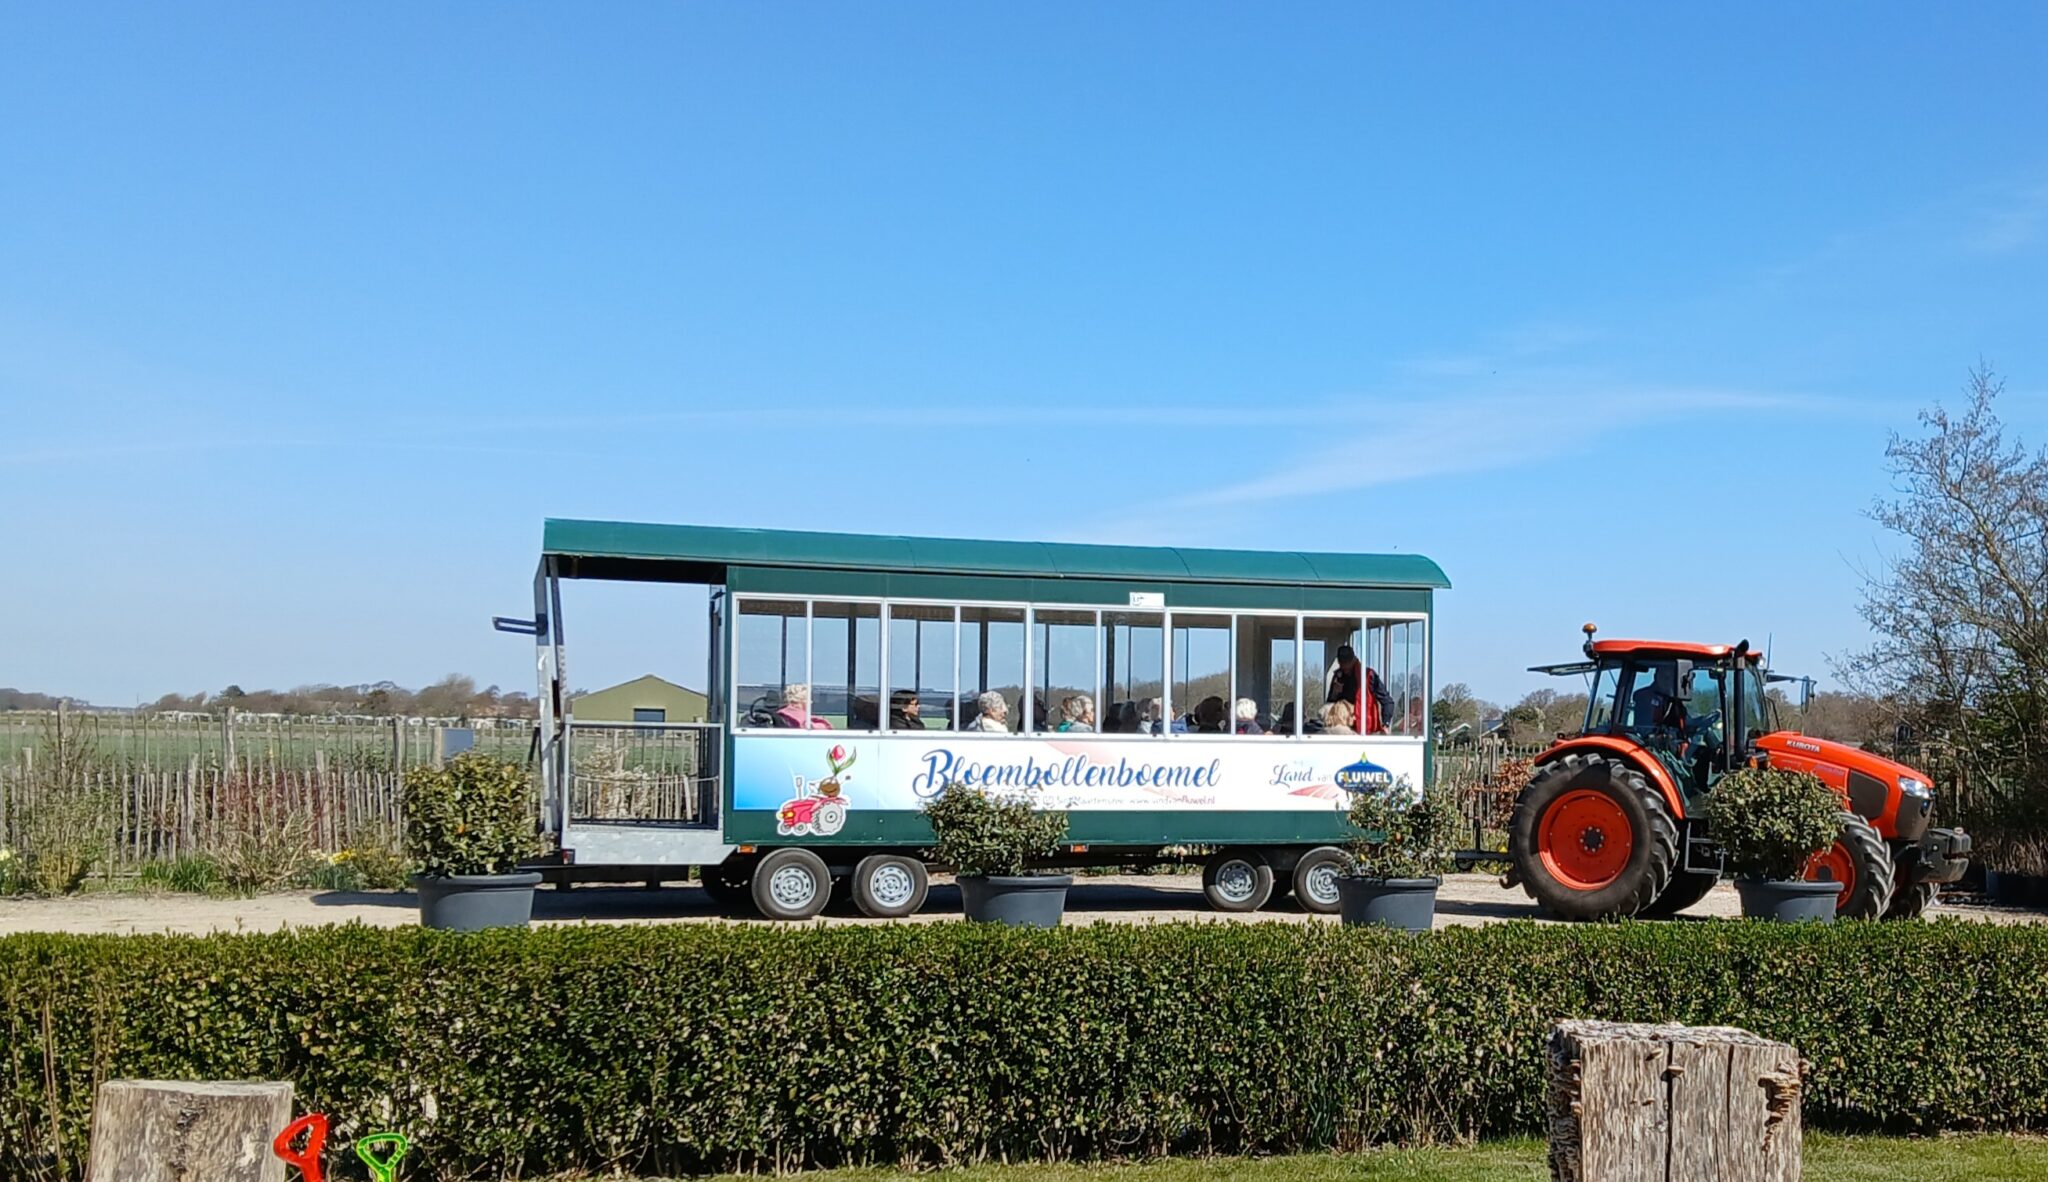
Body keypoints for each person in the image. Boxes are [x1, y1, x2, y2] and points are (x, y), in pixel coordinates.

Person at [1326, 644, 1397, 735]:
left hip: (1365, 728)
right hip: (1343, 725)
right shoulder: (1338, 676)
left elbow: (1387, 701)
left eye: (1347, 663)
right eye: (1342, 663)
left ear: (1353, 660)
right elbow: (1330, 704)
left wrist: (1386, 724)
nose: (1345, 667)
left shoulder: (1368, 676)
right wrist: (1334, 693)